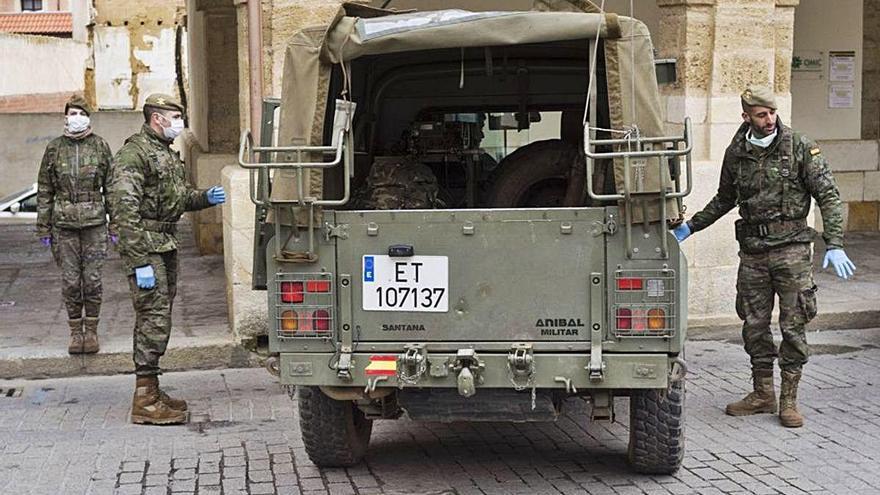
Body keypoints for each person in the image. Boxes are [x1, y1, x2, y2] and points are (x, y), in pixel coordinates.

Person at [672, 87, 856, 428]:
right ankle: (762, 393)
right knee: (754, 325)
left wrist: (834, 243)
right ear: (747, 117)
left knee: (793, 324)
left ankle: (788, 401)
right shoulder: (737, 151)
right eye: (761, 114)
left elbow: (828, 195)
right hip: (754, 253)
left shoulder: (799, 145)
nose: (769, 119)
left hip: (792, 252)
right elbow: (724, 198)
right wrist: (691, 227)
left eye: (771, 113)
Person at [107, 94, 226, 425]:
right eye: (175, 117)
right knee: (152, 317)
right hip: (146, 246)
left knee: (159, 316)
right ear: (157, 119)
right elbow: (123, 211)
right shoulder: (133, 155)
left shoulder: (163, 154)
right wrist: (138, 261)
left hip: (164, 243)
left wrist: (204, 198)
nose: (180, 123)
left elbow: (177, 198)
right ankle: (144, 400)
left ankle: (152, 389)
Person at [36, 94, 115, 355]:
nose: (77, 118)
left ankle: (91, 331)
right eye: (72, 113)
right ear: (65, 117)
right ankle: (74, 332)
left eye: (81, 113)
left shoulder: (100, 147)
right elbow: (45, 189)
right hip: (64, 225)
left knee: (92, 281)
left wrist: (115, 225)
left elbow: (112, 188)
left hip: (94, 224)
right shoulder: (54, 148)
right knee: (71, 282)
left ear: (89, 118)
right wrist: (43, 227)